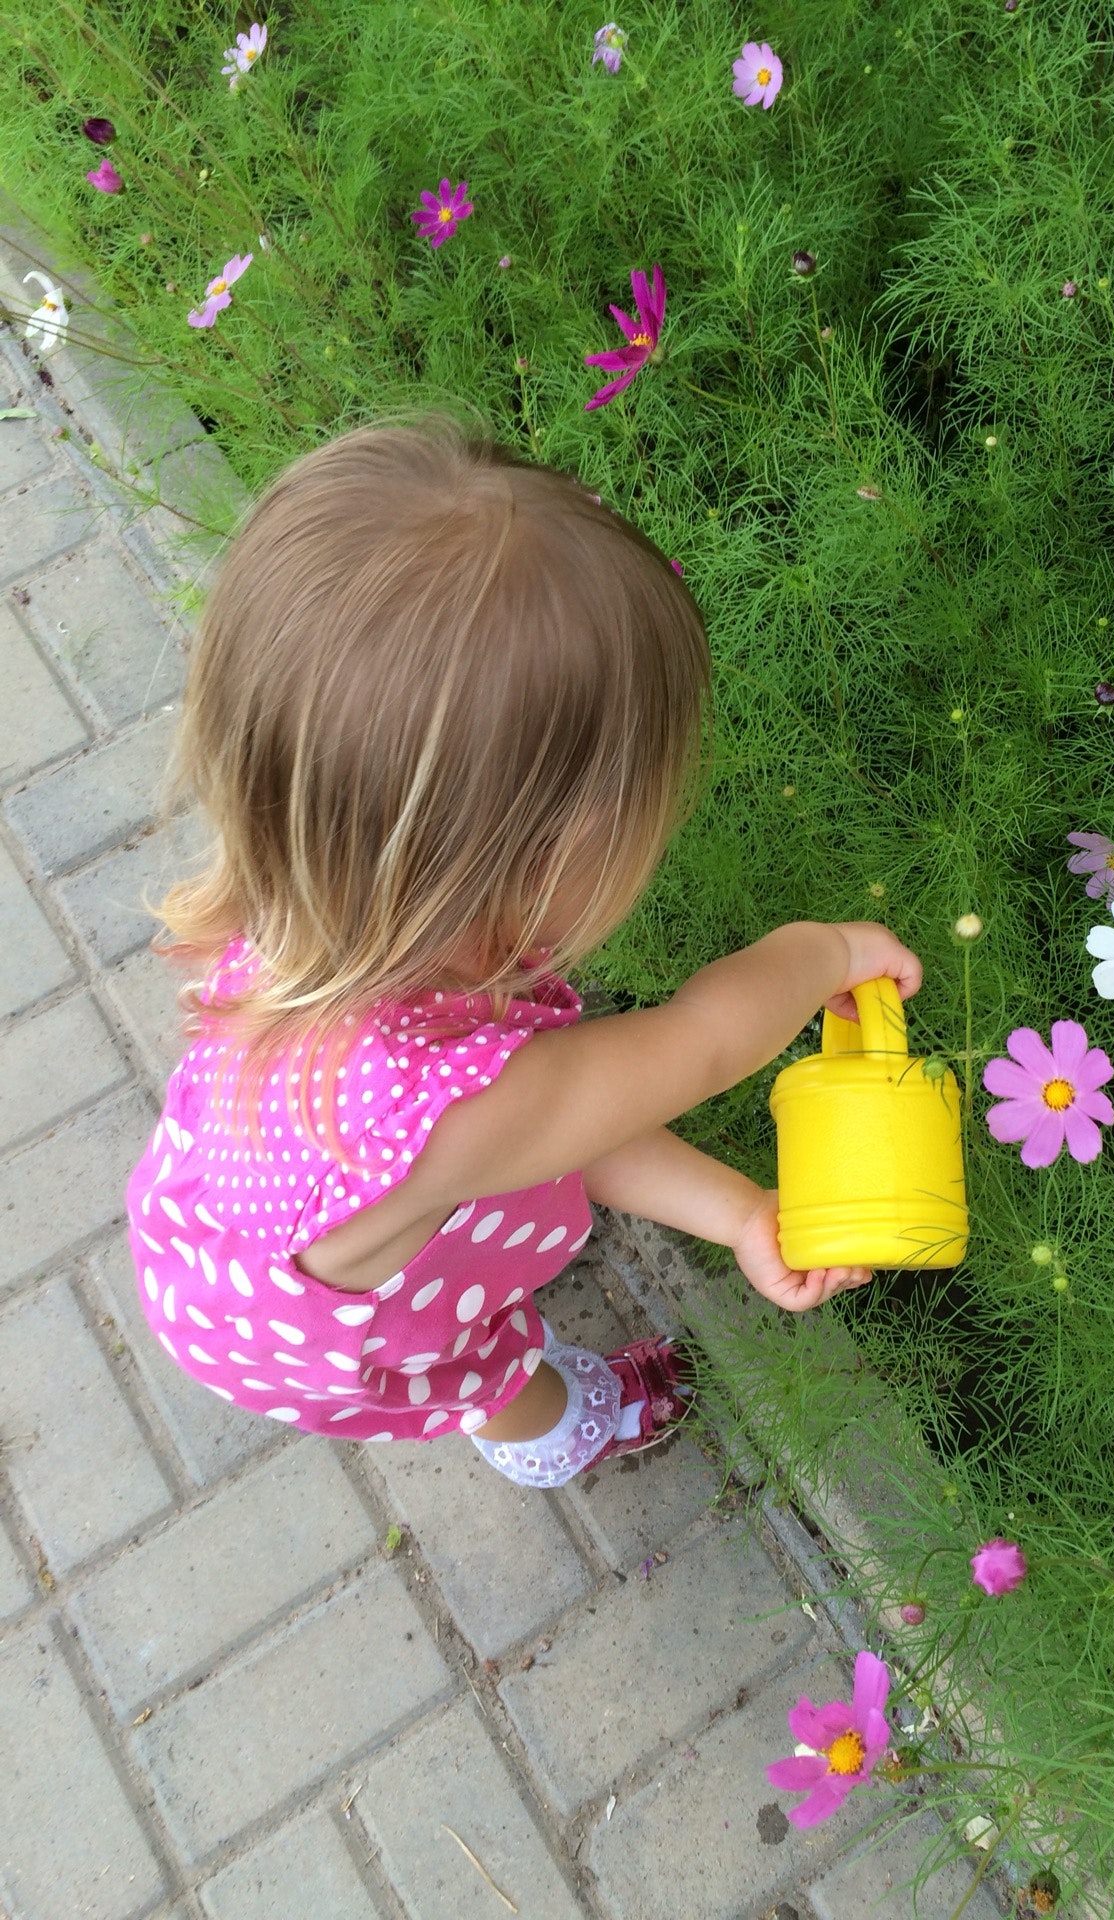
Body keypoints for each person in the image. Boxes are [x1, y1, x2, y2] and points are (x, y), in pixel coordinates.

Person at [126, 420, 921, 1489]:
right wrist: (824, 951)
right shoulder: (459, 1110)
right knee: (487, 1369)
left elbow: (568, 1125)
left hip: (209, 1240)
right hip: (322, 1338)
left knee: (477, 1188)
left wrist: (739, 1214)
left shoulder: (316, 893)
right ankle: (558, 1433)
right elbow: (697, 1045)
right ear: (537, 851)